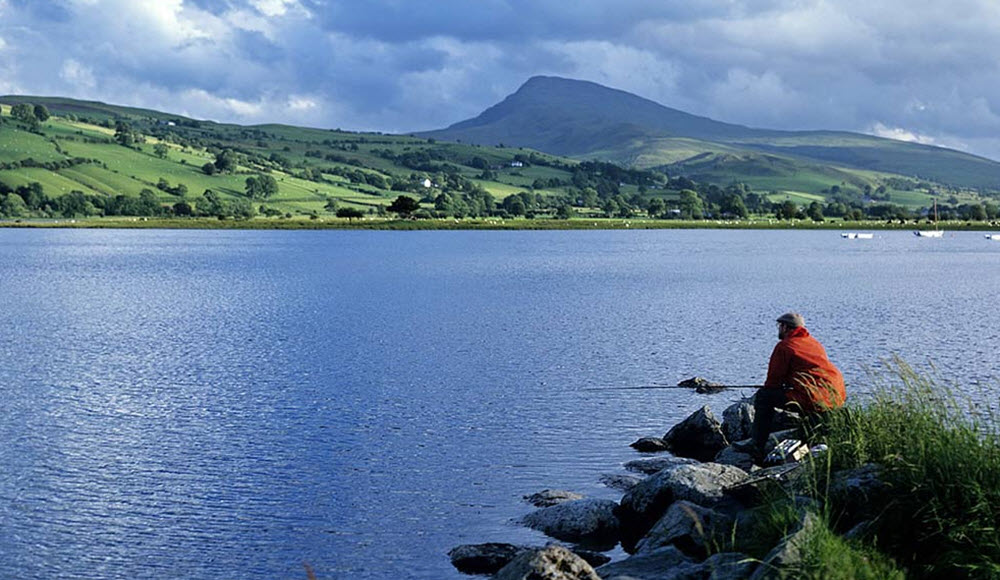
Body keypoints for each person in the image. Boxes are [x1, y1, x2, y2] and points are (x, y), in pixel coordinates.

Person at [750, 312, 846, 456]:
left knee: (764, 397)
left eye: (779, 326)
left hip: (814, 397)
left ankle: (757, 446)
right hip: (835, 395)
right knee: (797, 397)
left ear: (785, 327)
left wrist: (773, 388)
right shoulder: (814, 342)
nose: (778, 329)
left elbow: (773, 381)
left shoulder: (785, 346)